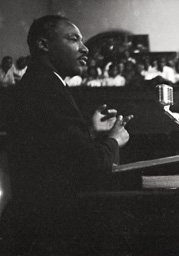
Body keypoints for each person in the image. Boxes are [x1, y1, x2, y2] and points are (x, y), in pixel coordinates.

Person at [0, 15, 132, 255]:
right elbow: (90, 165)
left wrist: (91, 132)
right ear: (43, 44)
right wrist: (115, 139)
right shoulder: (48, 89)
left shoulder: (40, 83)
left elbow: (53, 149)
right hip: (54, 230)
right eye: (73, 39)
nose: (85, 47)